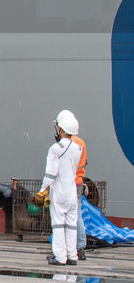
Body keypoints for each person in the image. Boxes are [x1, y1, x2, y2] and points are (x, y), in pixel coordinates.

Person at [33, 110, 83, 266]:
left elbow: (51, 173)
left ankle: (60, 257)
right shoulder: (78, 148)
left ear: (61, 129)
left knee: (58, 224)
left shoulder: (55, 148)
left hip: (60, 191)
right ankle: (72, 256)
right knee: (71, 224)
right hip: (72, 192)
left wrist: (43, 190)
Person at [73, 122, 89, 260]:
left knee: (66, 216)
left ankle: (72, 247)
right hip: (79, 182)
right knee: (78, 216)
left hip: (69, 183)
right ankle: (81, 247)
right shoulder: (81, 142)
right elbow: (85, 162)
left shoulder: (66, 144)